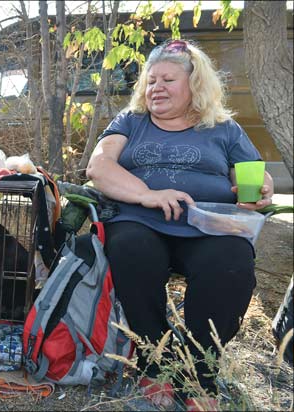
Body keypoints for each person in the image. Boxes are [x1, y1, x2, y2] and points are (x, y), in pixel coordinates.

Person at [86, 39, 273, 411]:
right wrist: (146, 194)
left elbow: (254, 177)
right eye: (151, 80)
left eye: (168, 80)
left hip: (210, 225)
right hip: (140, 221)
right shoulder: (131, 121)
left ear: (194, 85)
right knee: (129, 249)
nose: (156, 88)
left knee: (232, 262)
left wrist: (260, 189)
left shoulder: (223, 128)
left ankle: (200, 371)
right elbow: (99, 167)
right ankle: (156, 362)